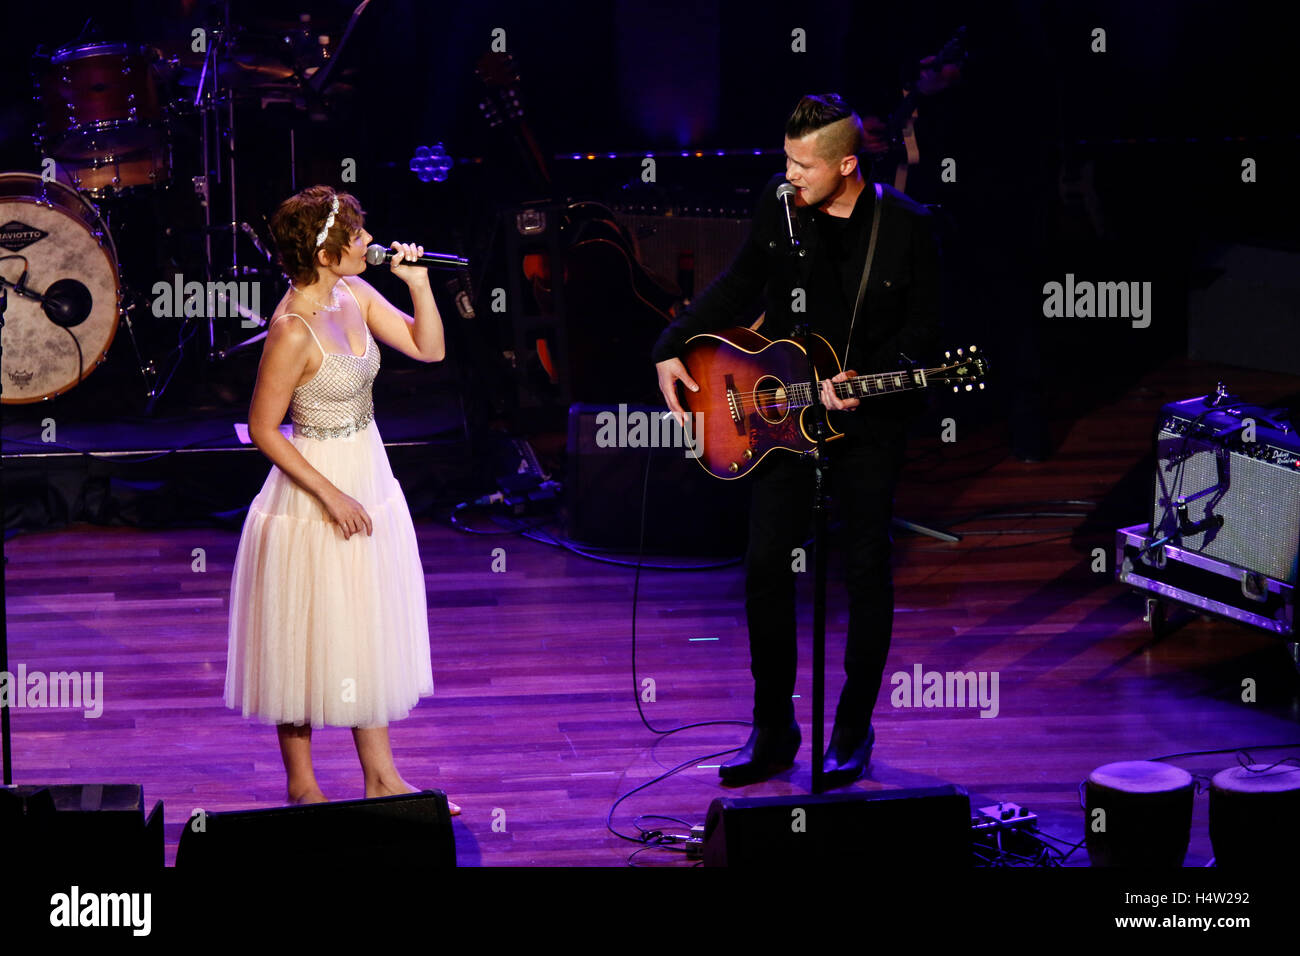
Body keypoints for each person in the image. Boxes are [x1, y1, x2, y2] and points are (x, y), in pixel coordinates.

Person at [653, 95, 941, 787]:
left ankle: (851, 726)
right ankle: (773, 727)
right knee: (762, 569)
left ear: (847, 164)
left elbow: (925, 334)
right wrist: (671, 343)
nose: (790, 175)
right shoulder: (779, 208)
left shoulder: (906, 229)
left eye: (803, 165)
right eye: (785, 159)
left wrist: (875, 377)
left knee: (867, 570)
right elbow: (739, 283)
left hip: (866, 426)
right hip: (784, 420)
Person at [224, 184, 458, 812]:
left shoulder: (354, 293)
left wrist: (419, 284)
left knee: (360, 625)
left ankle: (382, 778)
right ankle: (304, 788)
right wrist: (330, 495)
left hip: (368, 470)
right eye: (354, 234)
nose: (366, 240)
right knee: (304, 631)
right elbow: (265, 429)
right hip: (315, 485)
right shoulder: (292, 328)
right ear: (326, 252)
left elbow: (428, 348)